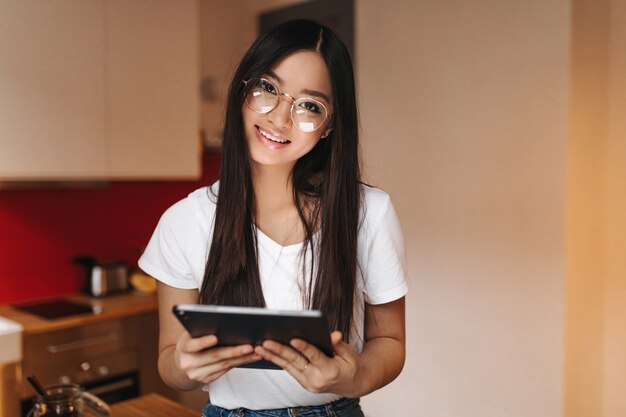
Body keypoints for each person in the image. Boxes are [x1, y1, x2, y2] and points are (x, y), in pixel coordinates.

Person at [138, 19, 408, 417]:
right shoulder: (183, 221)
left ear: (329, 126)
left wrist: (356, 376)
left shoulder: (368, 212)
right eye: (268, 88)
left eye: (309, 106)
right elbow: (168, 361)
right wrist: (184, 366)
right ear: (242, 90)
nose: (280, 119)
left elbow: (390, 340)